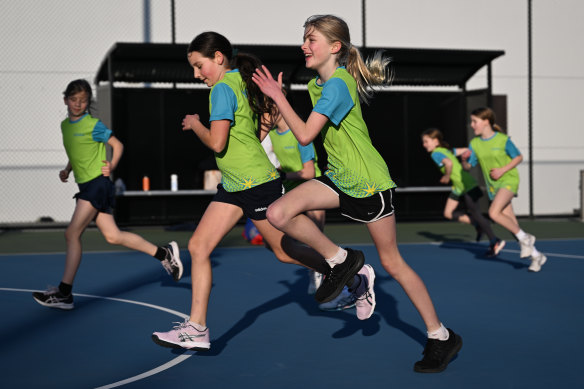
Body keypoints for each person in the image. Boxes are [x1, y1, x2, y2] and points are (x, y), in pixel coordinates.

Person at [252, 14, 462, 373]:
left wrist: (277, 96)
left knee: (393, 262)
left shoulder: (337, 85)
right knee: (277, 214)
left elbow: (304, 135)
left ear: (335, 47)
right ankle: (345, 264)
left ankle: (441, 336)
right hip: (338, 178)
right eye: (304, 38)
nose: (304, 44)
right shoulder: (320, 85)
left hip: (368, 184)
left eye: (311, 39)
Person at [151, 32, 373, 352]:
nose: (197, 74)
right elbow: (251, 131)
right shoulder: (237, 81)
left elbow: (217, 143)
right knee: (200, 246)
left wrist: (195, 124)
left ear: (218, 58)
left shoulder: (222, 89)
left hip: (254, 183)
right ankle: (197, 328)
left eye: (200, 66)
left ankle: (352, 272)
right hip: (235, 184)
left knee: (285, 252)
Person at [32, 79, 183, 310]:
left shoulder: (93, 125)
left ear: (88, 102)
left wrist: (111, 165)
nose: (78, 104)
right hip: (87, 186)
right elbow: (77, 152)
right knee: (113, 236)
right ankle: (164, 253)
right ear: (66, 100)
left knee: (72, 233)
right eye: (73, 100)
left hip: (97, 185)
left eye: (83, 100)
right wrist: (67, 169)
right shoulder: (65, 126)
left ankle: (64, 293)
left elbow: (118, 144)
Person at [268, 111, 353, 311]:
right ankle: (320, 273)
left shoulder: (299, 134)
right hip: (288, 197)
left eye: (264, 109)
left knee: (319, 246)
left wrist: (279, 174)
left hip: (312, 193)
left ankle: (342, 289)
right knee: (282, 247)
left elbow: (308, 172)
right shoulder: (270, 136)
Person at [461, 107, 547, 272]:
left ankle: (527, 238)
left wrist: (502, 170)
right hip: (494, 187)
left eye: (474, 121)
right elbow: (468, 166)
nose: (472, 125)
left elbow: (518, 157)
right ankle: (537, 256)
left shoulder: (502, 139)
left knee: (493, 213)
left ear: (486, 121)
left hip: (508, 180)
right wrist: (464, 160)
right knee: (511, 224)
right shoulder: (475, 143)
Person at [421, 128, 504, 256]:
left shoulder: (436, 153)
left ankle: (494, 240)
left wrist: (447, 175)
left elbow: (448, 163)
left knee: (476, 213)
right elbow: (466, 150)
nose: (424, 144)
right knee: (448, 213)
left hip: (467, 185)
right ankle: (478, 225)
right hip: (459, 187)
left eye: (426, 141)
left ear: (436, 141)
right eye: (423, 142)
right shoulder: (446, 151)